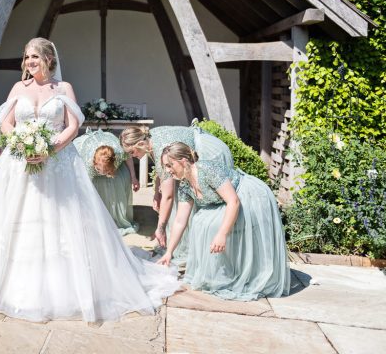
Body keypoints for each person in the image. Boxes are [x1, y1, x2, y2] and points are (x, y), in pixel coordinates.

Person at [0, 38, 180, 322]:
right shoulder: (18, 88)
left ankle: (61, 284)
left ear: (48, 59)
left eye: (34, 57)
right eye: (26, 57)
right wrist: (21, 143)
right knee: (14, 217)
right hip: (19, 162)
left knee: (61, 218)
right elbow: (6, 123)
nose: (29, 62)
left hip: (58, 163)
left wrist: (49, 149)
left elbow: (73, 125)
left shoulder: (63, 88)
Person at [157, 142, 290, 300]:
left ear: (183, 161)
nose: (167, 170)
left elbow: (233, 202)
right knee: (199, 221)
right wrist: (169, 252)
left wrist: (222, 234)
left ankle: (246, 272)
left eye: (169, 165)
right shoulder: (185, 186)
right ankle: (225, 272)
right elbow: (180, 220)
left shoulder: (207, 170)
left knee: (214, 225)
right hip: (223, 202)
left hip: (246, 196)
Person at [120, 125, 233, 265]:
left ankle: (204, 247)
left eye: (132, 152)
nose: (132, 156)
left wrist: (160, 228)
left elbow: (168, 196)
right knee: (183, 199)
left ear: (141, 144)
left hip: (209, 153)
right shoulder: (151, 140)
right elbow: (160, 169)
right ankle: (177, 247)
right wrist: (156, 192)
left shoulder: (160, 146)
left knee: (200, 201)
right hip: (189, 158)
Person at [74, 129, 139, 234]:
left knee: (118, 181)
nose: (103, 173)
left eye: (107, 171)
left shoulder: (119, 153)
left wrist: (134, 177)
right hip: (87, 145)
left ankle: (116, 216)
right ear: (94, 164)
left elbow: (129, 158)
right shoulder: (88, 164)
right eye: (100, 170)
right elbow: (85, 190)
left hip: (109, 142)